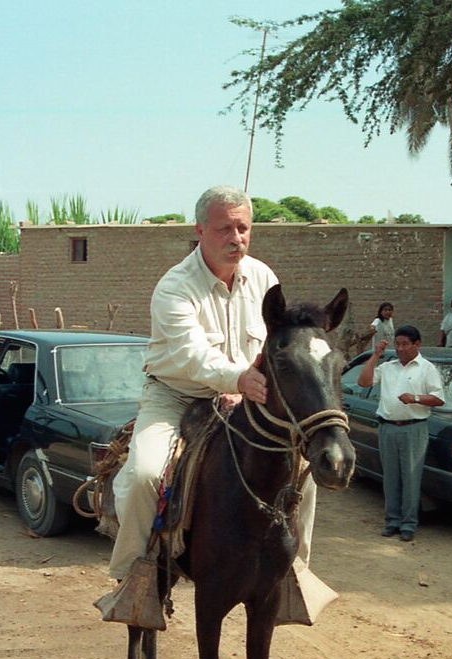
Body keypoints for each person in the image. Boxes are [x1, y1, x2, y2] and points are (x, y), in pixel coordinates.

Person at [108, 185, 319, 581]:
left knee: (302, 476)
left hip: (247, 399)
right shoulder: (174, 286)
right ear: (200, 230)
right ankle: (133, 578)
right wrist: (237, 377)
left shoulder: (264, 277)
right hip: (177, 395)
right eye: (224, 228)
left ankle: (295, 575)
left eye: (243, 228)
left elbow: (278, 340)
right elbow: (192, 354)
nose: (236, 238)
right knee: (145, 476)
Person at [357, 325, 444, 541]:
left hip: (413, 428)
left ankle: (408, 524)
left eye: (405, 344)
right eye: (398, 344)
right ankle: (392, 521)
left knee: (411, 478)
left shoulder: (426, 368)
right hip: (388, 427)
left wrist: (415, 398)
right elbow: (363, 381)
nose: (400, 348)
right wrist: (375, 355)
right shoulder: (388, 367)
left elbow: (438, 398)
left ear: (417, 344)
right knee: (391, 478)